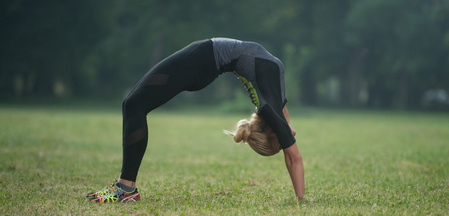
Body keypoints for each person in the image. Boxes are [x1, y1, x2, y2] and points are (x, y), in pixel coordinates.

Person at [86, 38, 305, 203]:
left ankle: (126, 189)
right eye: (279, 146)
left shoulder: (270, 108)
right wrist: (300, 200)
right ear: (271, 133)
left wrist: (298, 198)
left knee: (134, 105)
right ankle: (126, 189)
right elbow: (293, 156)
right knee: (133, 104)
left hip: (202, 61)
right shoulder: (273, 110)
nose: (287, 139)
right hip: (202, 60)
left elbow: (289, 148)